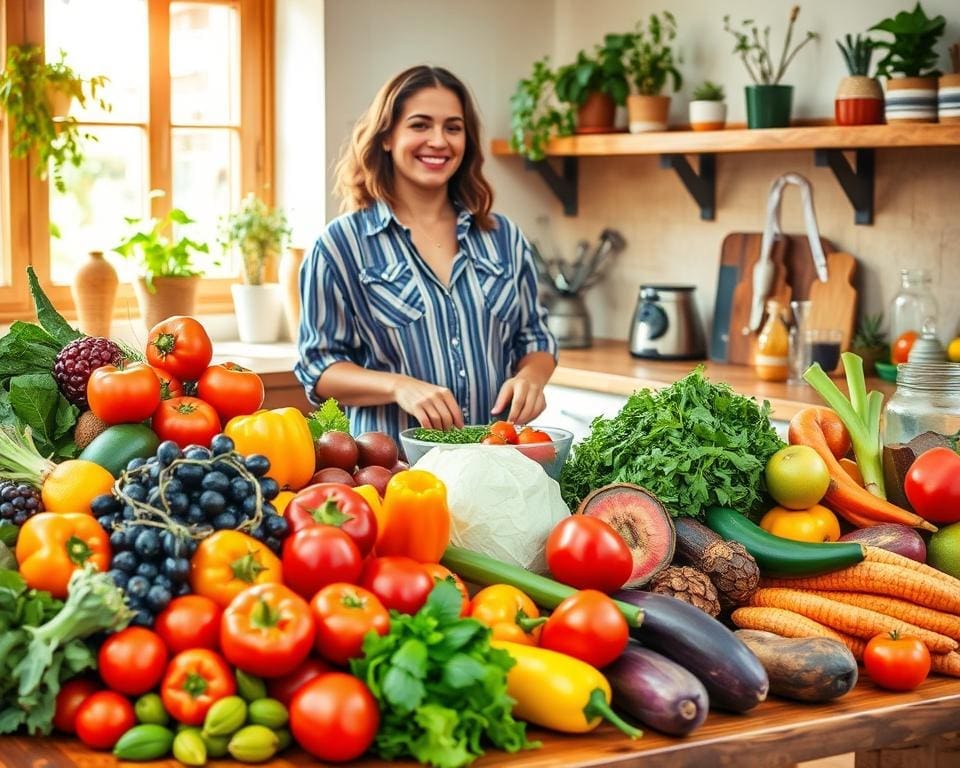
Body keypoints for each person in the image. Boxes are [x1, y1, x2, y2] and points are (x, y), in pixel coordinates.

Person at [294, 65, 558, 443]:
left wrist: (530, 379)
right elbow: (317, 368)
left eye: (453, 127)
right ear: (387, 137)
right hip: (395, 472)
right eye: (420, 125)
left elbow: (535, 338)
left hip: (495, 462)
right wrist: (398, 386)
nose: (438, 140)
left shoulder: (504, 238)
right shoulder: (340, 245)